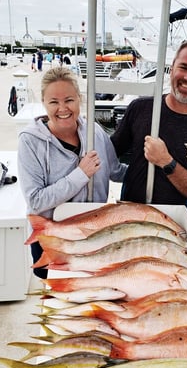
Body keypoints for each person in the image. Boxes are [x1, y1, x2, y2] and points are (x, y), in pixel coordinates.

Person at [17, 67, 127, 278]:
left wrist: (157, 167)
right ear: (43, 103)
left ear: (80, 99)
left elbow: (116, 171)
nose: (62, 108)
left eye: (69, 100)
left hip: (93, 235)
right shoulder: (30, 141)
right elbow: (36, 200)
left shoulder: (95, 132)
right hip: (52, 238)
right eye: (53, 102)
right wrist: (80, 174)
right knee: (56, 296)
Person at [110, 38, 187, 208]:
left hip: (174, 221)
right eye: (183, 67)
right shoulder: (140, 109)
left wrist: (167, 162)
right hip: (130, 214)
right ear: (171, 70)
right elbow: (108, 153)